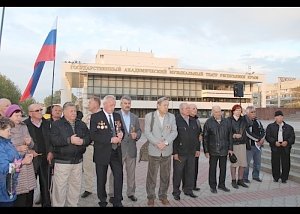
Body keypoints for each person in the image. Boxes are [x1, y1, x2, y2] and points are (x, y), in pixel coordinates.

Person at [50, 102, 90, 207]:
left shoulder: (81, 124)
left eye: (75, 111)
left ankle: (73, 204)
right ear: (64, 112)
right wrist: (69, 140)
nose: (74, 113)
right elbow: (54, 140)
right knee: (59, 188)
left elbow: (89, 137)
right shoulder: (56, 124)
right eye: (71, 111)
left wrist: (83, 142)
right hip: (62, 162)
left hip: (78, 161)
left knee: (75, 187)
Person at [90, 95, 124, 207]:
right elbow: (93, 135)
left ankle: (117, 200)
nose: (113, 107)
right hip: (102, 152)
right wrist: (110, 139)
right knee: (101, 178)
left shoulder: (117, 115)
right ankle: (102, 200)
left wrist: (121, 134)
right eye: (111, 105)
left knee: (119, 176)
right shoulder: (95, 117)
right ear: (104, 105)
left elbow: (121, 128)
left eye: (114, 105)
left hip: (115, 152)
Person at [144, 97, 177, 206]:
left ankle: (163, 196)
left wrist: (166, 142)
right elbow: (147, 133)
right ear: (158, 105)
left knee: (165, 176)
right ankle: (151, 197)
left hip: (166, 151)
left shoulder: (171, 117)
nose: (167, 107)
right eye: (165, 105)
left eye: (168, 105)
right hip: (154, 151)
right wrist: (157, 143)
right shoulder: (149, 116)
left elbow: (174, 132)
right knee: (152, 176)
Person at [108, 95, 142, 203]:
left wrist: (136, 135)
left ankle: (131, 193)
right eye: (125, 103)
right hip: (118, 150)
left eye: (129, 103)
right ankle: (112, 194)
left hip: (131, 150)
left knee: (131, 174)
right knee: (115, 173)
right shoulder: (114, 115)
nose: (127, 105)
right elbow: (110, 130)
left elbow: (139, 131)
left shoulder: (134, 117)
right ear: (121, 104)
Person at [5, 104, 36, 207]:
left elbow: (32, 145)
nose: (19, 118)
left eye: (20, 115)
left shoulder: (24, 126)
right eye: (16, 116)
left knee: (28, 193)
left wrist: (30, 142)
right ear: (9, 116)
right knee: (16, 192)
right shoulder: (4, 128)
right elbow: (4, 147)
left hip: (27, 163)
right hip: (15, 164)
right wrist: (17, 149)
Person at [24, 103, 53, 207]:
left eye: (41, 109)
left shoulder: (47, 123)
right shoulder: (24, 124)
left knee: (46, 185)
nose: (40, 112)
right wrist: (29, 150)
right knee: (30, 187)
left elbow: (51, 140)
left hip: (45, 158)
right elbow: (21, 141)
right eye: (37, 110)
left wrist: (50, 151)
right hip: (31, 160)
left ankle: (46, 204)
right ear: (30, 113)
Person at [0, 117, 33, 207]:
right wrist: (23, 162)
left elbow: (14, 159)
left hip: (10, 186)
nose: (10, 133)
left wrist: (24, 157)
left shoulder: (7, 142)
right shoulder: (1, 145)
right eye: (8, 131)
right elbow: (4, 169)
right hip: (3, 189)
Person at [172, 103, 200, 201]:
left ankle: (188, 190)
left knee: (190, 172)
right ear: (181, 110)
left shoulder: (193, 121)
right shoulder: (176, 121)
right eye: (186, 108)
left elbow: (196, 137)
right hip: (180, 152)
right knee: (178, 173)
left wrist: (197, 149)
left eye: (189, 108)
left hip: (191, 152)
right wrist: (174, 152)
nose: (189, 110)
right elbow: (174, 138)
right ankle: (176, 192)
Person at [203, 105, 232, 193]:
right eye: (216, 112)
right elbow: (205, 138)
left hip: (224, 149)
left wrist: (230, 148)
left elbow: (230, 136)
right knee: (212, 169)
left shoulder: (227, 122)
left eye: (219, 111)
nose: (218, 113)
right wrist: (206, 151)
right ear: (212, 112)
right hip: (213, 150)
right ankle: (213, 186)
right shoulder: (208, 122)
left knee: (223, 169)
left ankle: (221, 185)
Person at [265, 110, 295, 183]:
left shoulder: (289, 127)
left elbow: (292, 137)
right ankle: (276, 177)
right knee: (275, 163)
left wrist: (287, 142)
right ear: (275, 118)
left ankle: (284, 178)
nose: (280, 118)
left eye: (281, 116)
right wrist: (274, 142)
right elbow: (268, 136)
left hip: (285, 147)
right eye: (278, 116)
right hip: (275, 147)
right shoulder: (270, 126)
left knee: (286, 163)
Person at [81, 96, 101, 199]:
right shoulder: (86, 116)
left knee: (101, 169)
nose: (88, 104)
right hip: (88, 147)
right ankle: (88, 189)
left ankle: (101, 189)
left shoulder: (103, 116)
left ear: (96, 104)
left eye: (90, 102)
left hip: (100, 147)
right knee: (87, 168)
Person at [228, 104, 249, 189]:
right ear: (233, 111)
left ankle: (240, 180)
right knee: (234, 163)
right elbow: (226, 132)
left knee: (242, 163)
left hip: (242, 144)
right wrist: (233, 135)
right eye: (237, 110)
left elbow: (250, 123)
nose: (238, 111)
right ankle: (233, 180)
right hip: (233, 144)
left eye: (240, 110)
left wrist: (245, 114)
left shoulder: (243, 119)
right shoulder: (228, 120)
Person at [243, 106, 265, 183]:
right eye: (252, 112)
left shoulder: (257, 121)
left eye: (254, 112)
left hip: (258, 146)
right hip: (249, 145)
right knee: (247, 163)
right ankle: (244, 177)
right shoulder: (244, 121)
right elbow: (247, 133)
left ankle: (256, 176)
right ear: (247, 113)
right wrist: (258, 140)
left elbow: (262, 130)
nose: (254, 113)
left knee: (257, 162)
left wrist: (262, 139)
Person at [188, 103, 202, 191]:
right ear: (188, 110)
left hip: (196, 148)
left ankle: (193, 185)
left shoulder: (197, 120)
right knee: (188, 169)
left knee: (195, 168)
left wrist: (201, 134)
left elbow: (200, 131)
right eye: (193, 108)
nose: (195, 110)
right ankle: (188, 186)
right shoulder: (187, 120)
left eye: (196, 108)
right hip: (188, 149)